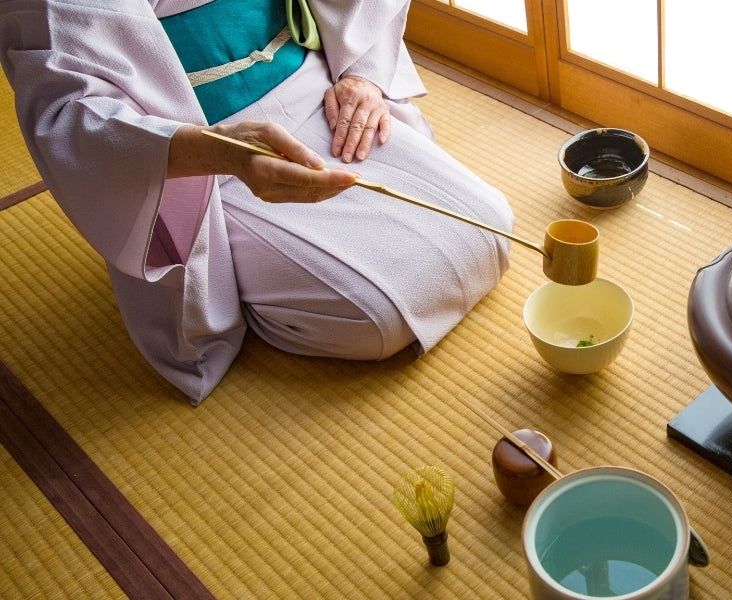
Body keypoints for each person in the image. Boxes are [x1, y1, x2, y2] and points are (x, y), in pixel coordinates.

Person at [0, 0, 514, 403]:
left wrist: (364, 76)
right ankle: (233, 275)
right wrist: (223, 154)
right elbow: (71, 113)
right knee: (375, 315)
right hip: (192, 142)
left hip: (314, 86)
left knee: (491, 223)